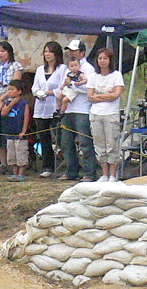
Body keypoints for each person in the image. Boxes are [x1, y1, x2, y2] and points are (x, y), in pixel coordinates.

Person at [58, 39, 97, 181]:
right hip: (68, 109)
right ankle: (71, 171)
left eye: (74, 51)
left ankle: (89, 173)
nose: (71, 53)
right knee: (66, 142)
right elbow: (63, 85)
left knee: (85, 142)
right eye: (70, 51)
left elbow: (89, 88)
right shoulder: (68, 68)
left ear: (82, 52)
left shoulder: (88, 69)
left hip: (82, 109)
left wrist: (73, 86)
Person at [87, 48, 125, 182]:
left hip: (111, 114)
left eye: (105, 58)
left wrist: (100, 95)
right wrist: (106, 96)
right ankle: (104, 174)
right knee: (99, 144)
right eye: (100, 58)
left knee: (111, 144)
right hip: (96, 114)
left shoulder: (116, 75)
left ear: (110, 60)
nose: (102, 61)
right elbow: (90, 96)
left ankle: (113, 174)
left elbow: (116, 94)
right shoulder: (93, 76)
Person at [31, 41, 67, 178]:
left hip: (55, 107)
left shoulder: (62, 69)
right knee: (44, 137)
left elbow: (62, 87)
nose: (47, 54)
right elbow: (35, 86)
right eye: (45, 51)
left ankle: (67, 164)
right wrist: (38, 92)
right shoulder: (40, 69)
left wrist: (49, 92)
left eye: (50, 51)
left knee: (60, 137)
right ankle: (47, 166)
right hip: (40, 108)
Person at [0, 41, 24, 174]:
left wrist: (4, 99)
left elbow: (15, 86)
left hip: (11, 102)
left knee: (9, 133)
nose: (0, 53)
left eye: (3, 51)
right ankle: (3, 163)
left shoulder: (16, 66)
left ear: (9, 52)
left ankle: (14, 163)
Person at [1, 79, 30, 182]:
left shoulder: (24, 103)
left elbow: (26, 118)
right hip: (10, 132)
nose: (9, 91)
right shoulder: (7, 102)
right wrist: (11, 103)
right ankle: (14, 173)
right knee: (11, 155)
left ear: (19, 92)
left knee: (21, 153)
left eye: (12, 89)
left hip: (19, 133)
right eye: (8, 89)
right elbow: (3, 113)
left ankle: (21, 174)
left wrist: (24, 131)